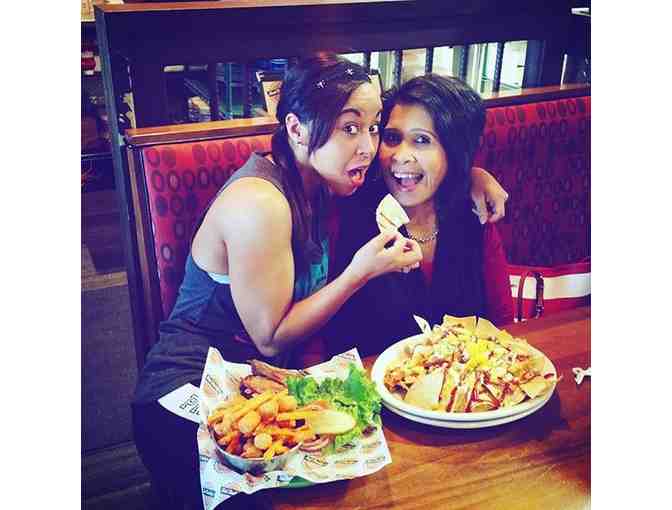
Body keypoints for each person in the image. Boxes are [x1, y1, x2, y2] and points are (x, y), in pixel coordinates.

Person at [131, 55, 506, 509]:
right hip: (190, 386)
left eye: (373, 128)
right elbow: (270, 338)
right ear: (296, 128)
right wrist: (360, 271)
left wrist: (472, 177)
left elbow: (423, 167)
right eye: (350, 127)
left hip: (266, 386)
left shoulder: (324, 181)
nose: (369, 147)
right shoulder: (260, 202)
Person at [326, 74, 514, 359]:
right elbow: (320, 339)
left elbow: (502, 321)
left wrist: (475, 176)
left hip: (466, 382)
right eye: (392, 138)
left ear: (454, 152)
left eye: (422, 140)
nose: (400, 155)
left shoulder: (473, 213)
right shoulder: (349, 212)